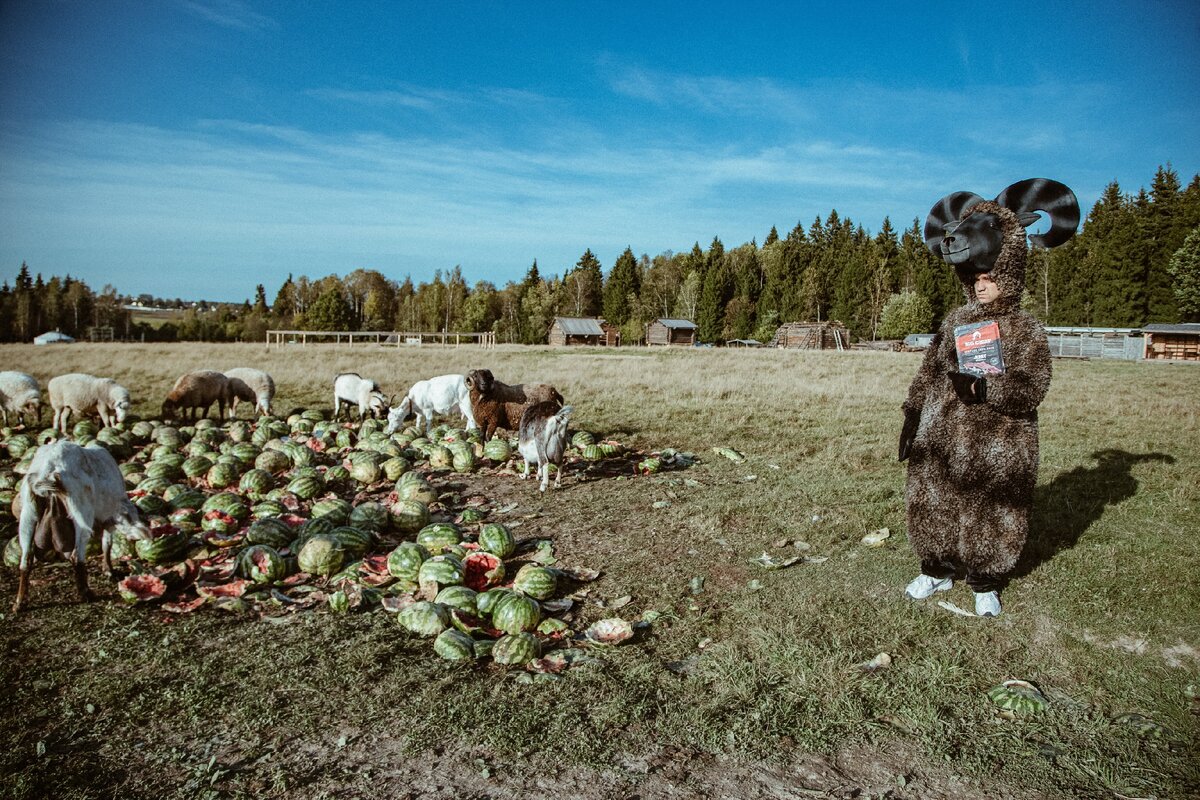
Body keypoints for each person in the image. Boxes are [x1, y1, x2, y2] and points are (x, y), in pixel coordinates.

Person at [900, 179, 1078, 617]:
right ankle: (936, 570)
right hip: (939, 437)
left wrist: (985, 389)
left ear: (1007, 274)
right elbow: (928, 371)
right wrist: (911, 413)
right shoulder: (955, 321)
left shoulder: (1025, 328)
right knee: (932, 500)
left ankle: (985, 582)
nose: (981, 285)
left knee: (992, 509)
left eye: (988, 278)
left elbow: (1033, 387)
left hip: (998, 441)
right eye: (975, 279)